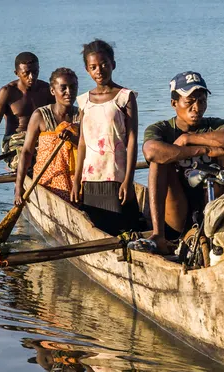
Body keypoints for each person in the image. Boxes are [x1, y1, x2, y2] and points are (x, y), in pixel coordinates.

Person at [142, 71, 224, 254]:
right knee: (159, 161)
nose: (196, 107)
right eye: (189, 102)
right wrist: (203, 149)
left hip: (213, 204)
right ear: (174, 103)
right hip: (176, 210)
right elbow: (151, 151)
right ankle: (158, 234)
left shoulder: (214, 124)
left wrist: (189, 139)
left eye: (202, 101)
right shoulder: (162, 129)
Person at [70, 39, 141, 236]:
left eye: (104, 65)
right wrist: (77, 180)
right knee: (99, 228)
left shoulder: (125, 97)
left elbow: (132, 139)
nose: (99, 71)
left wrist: (128, 180)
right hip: (91, 176)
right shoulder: (84, 100)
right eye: (93, 67)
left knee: (125, 227)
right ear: (87, 70)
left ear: (113, 65)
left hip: (116, 174)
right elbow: (83, 142)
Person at [14, 68, 80, 205]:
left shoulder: (81, 115)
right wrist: (19, 186)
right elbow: (26, 151)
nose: (69, 92)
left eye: (73, 87)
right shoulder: (40, 116)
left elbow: (88, 148)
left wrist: (73, 138)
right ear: (52, 91)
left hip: (76, 179)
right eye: (63, 88)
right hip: (48, 180)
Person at [0, 52, 54, 170]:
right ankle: (20, 183)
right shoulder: (7, 92)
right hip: (16, 141)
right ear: (17, 73)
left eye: (35, 72)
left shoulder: (47, 90)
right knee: (25, 159)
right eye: (26, 73)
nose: (31, 77)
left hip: (41, 138)